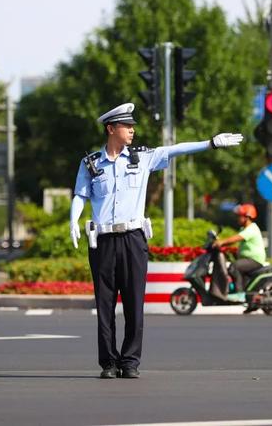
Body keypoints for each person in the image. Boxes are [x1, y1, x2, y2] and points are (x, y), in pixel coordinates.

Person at [70, 102, 243, 379]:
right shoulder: (90, 163)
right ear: (111, 128)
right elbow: (80, 195)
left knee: (134, 303)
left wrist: (210, 143)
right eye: (127, 126)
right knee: (104, 305)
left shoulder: (142, 158)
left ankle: (130, 362)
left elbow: (174, 150)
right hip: (103, 241)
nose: (132, 130)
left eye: (132, 126)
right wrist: (73, 221)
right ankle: (109, 363)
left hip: (133, 239)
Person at [212, 203, 267, 307]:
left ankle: (239, 294)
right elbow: (235, 241)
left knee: (234, 267)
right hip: (249, 259)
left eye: (240, 216)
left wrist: (222, 242)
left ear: (247, 217)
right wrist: (223, 246)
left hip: (254, 260)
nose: (237, 218)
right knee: (243, 278)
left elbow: (236, 238)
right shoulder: (244, 229)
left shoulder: (251, 229)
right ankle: (249, 301)